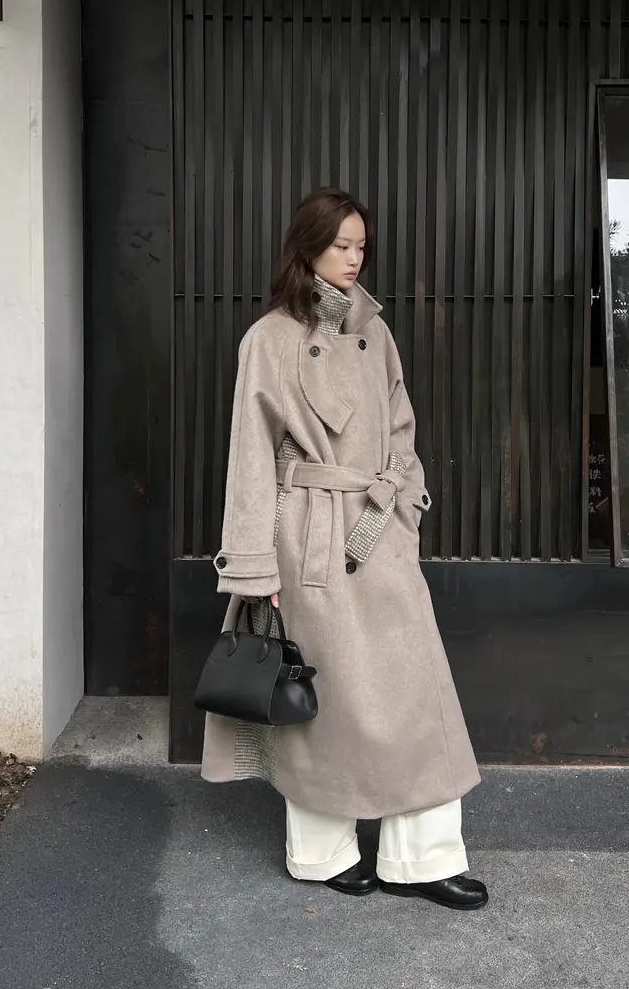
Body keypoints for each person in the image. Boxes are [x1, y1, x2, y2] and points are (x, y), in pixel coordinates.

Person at [201, 188, 487, 910]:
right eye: (341, 246)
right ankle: (322, 852)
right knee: (323, 701)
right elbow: (250, 459)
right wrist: (254, 567)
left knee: (416, 694)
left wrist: (404, 505)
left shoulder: (375, 333)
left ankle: (422, 859)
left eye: (362, 246)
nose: (355, 259)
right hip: (308, 537)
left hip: (377, 530)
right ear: (308, 247)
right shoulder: (269, 339)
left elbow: (401, 429)